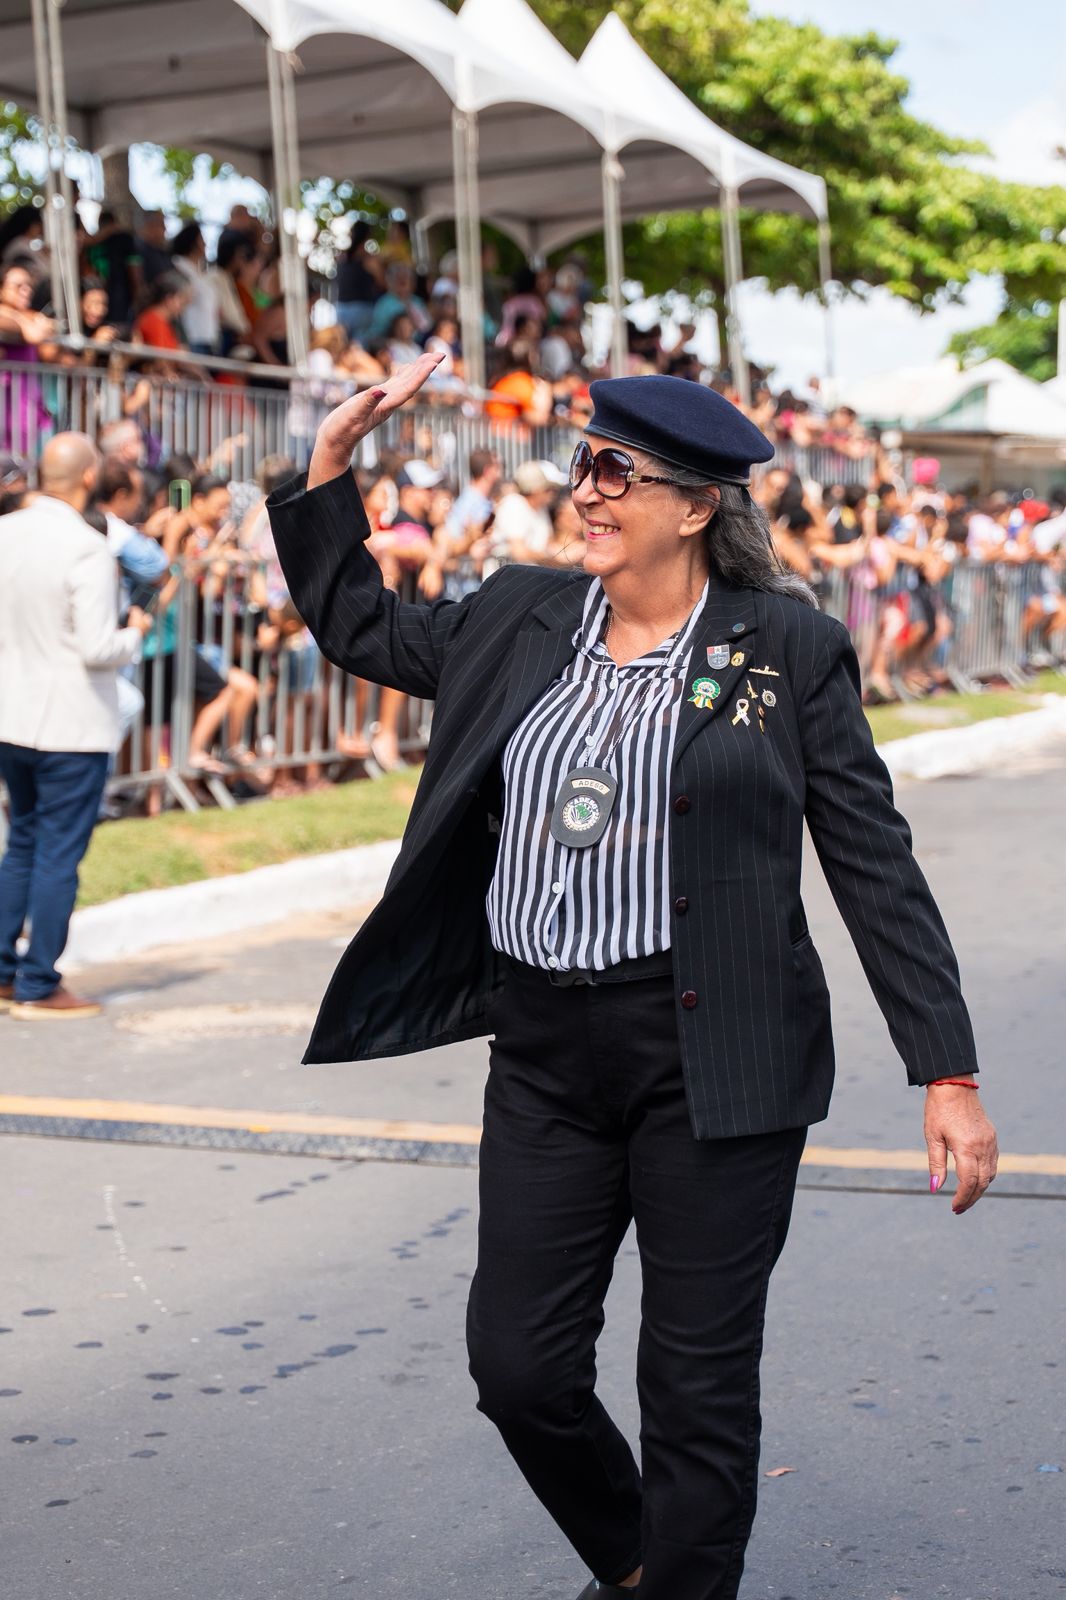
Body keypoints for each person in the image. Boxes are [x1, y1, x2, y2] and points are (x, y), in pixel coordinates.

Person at [266, 359, 999, 1600]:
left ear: (696, 504)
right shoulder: (519, 611)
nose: (586, 490)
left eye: (618, 473)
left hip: (715, 1055)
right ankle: (638, 1558)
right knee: (520, 1368)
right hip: (545, 1053)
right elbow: (359, 626)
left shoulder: (787, 649)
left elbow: (873, 863)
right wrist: (329, 467)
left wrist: (947, 1069)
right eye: (585, 463)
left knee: (695, 1385)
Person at [0, 433, 154, 1018]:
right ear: (89, 477)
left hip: (11, 714)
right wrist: (135, 631)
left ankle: (6, 975)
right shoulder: (85, 547)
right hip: (69, 721)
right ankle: (39, 982)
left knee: (22, 845)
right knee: (57, 854)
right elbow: (97, 646)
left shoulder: (4, 530)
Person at [169, 223, 220, 356]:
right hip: (192, 337)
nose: (205, 244)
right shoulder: (178, 267)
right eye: (201, 240)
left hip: (208, 337)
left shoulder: (199, 271)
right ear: (192, 242)